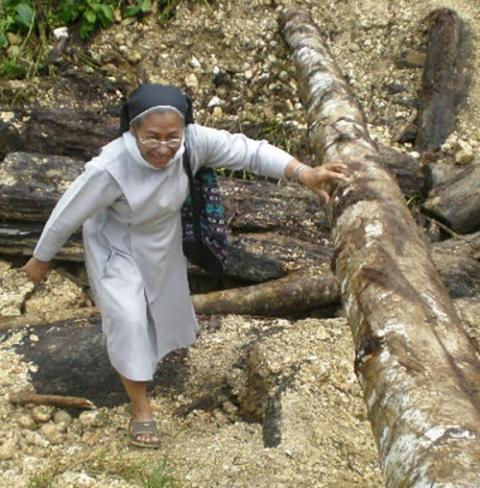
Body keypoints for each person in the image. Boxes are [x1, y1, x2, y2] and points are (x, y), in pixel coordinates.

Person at [21, 83, 348, 448]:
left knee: (165, 310)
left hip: (161, 240)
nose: (162, 148)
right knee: (127, 319)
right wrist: (40, 258)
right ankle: (141, 409)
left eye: (171, 137)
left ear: (184, 130)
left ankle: (151, 362)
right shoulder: (110, 166)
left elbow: (248, 151)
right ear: (133, 130)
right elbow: (68, 212)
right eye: (152, 138)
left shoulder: (193, 142)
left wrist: (303, 173)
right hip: (116, 245)